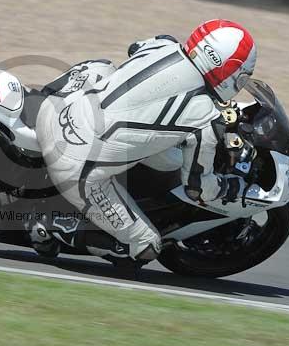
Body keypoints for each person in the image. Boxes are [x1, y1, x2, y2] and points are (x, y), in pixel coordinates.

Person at [30, 19, 257, 264]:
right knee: (146, 247)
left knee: (103, 66)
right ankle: (51, 226)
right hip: (75, 168)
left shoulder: (163, 45)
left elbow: (134, 47)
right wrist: (233, 188)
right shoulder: (205, 117)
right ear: (227, 69)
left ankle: (30, 105)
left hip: (51, 113)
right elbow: (197, 188)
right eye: (242, 75)